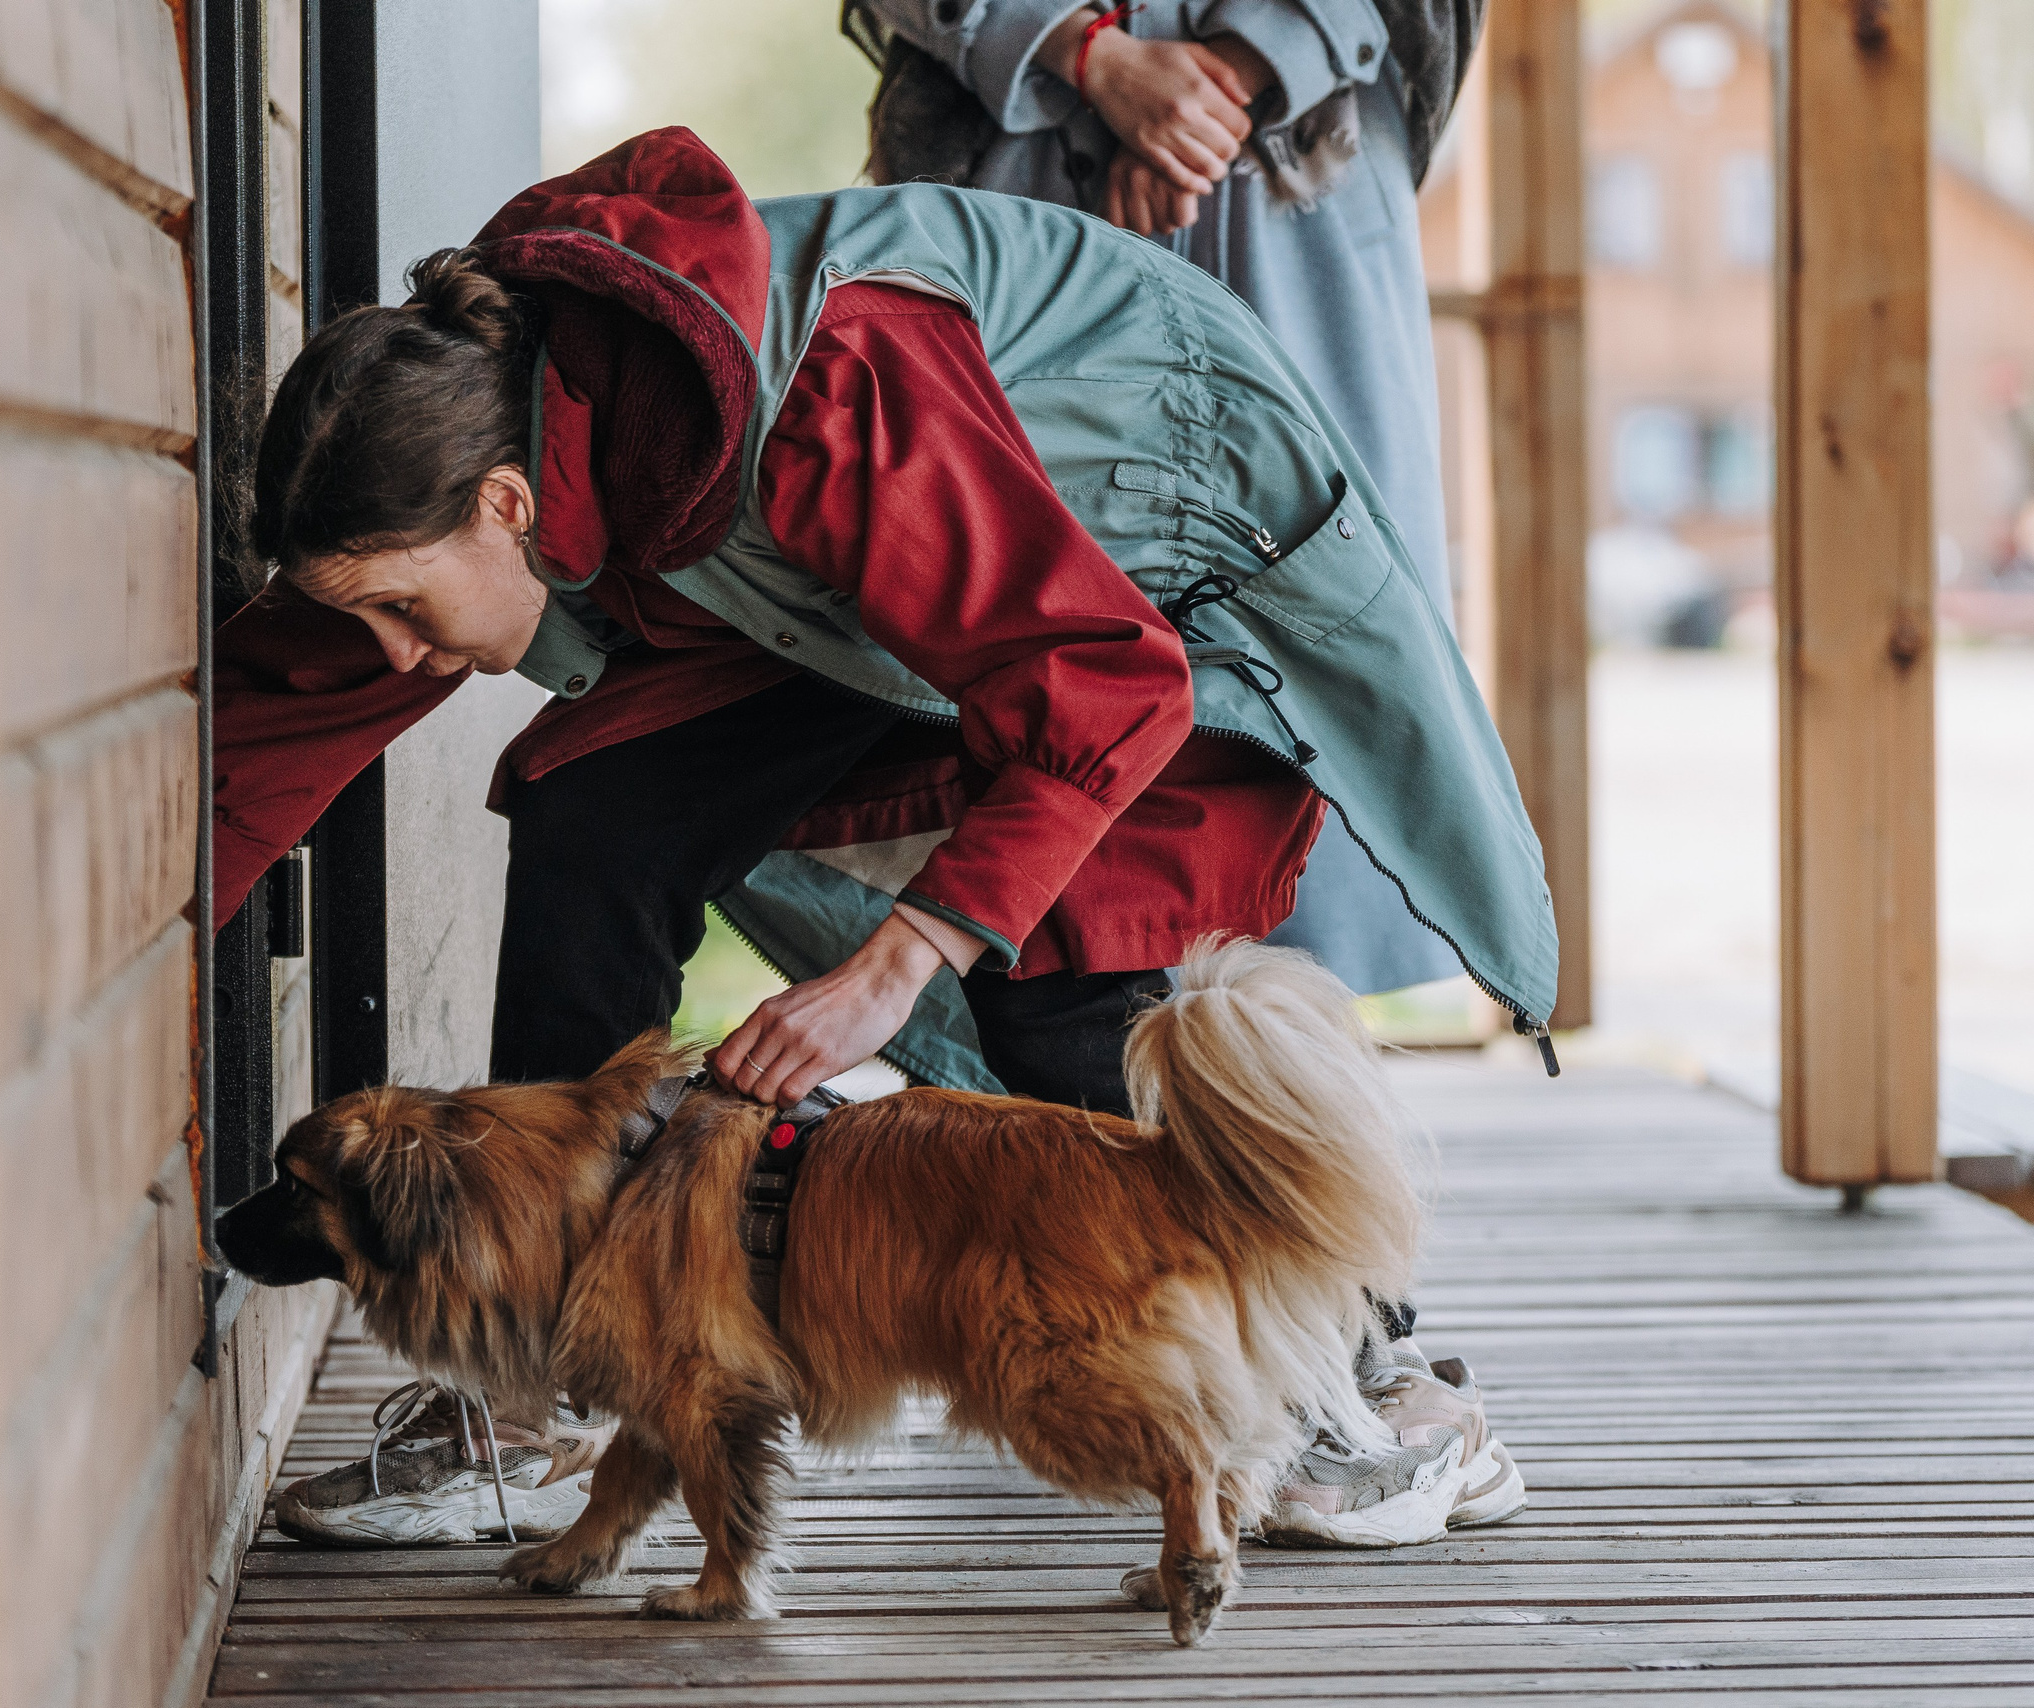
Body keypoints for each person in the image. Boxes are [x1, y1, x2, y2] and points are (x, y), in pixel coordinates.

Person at [215, 129, 1546, 1551]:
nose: (400, 661)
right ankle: (558, 1378)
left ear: (505, 507)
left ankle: (1368, 1379)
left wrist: (897, 962)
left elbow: (1103, 688)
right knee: (598, 823)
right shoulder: (443, 443)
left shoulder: (831, 397)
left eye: (408, 615)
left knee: (1061, 964)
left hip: (1147, 552)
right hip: (854, 591)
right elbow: (254, 741)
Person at [846, 0, 1482, 997]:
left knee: (1309, 569)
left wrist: (1220, 81)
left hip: (1300, 159)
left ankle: (1280, 1090)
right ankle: (1048, 1048)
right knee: (1015, 594)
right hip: (1018, 162)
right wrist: (1089, 55)